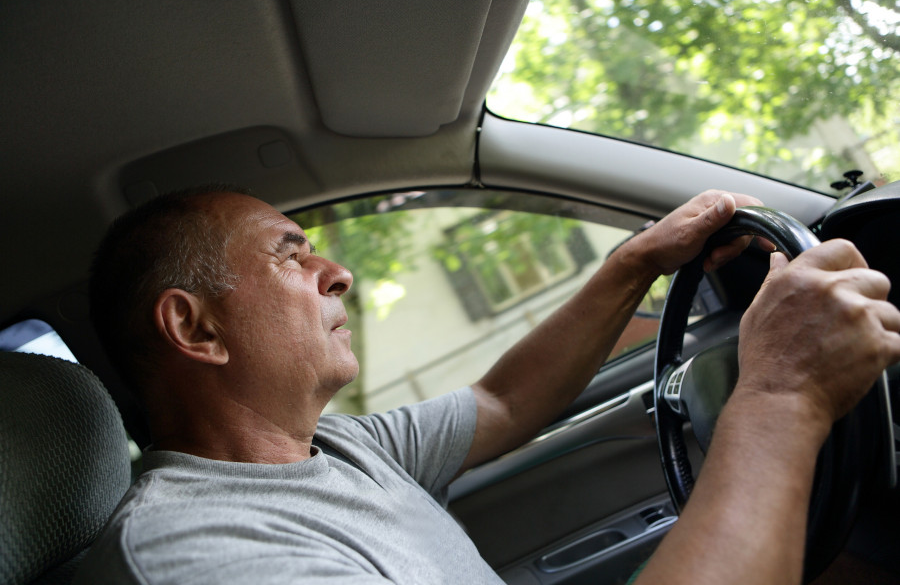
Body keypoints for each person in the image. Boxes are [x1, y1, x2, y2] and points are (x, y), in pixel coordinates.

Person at [75, 187, 900, 585]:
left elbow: (504, 401)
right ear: (195, 330)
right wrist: (783, 394)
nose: (339, 274)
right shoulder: (198, 557)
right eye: (289, 255)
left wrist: (640, 262)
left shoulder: (330, 450)